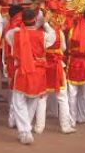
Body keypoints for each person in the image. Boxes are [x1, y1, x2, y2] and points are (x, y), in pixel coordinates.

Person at [4, 8, 56, 145]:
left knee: (18, 102)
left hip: (22, 71)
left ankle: (25, 131)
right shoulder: (44, 35)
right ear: (35, 20)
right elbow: (53, 35)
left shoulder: (14, 35)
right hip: (38, 72)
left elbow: (9, 34)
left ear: (22, 20)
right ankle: (26, 130)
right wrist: (45, 23)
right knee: (33, 100)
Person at [39, 7, 76, 134]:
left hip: (44, 67)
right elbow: (64, 48)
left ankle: (39, 127)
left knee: (42, 97)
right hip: (57, 67)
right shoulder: (59, 33)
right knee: (62, 97)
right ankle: (65, 126)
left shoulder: (41, 33)